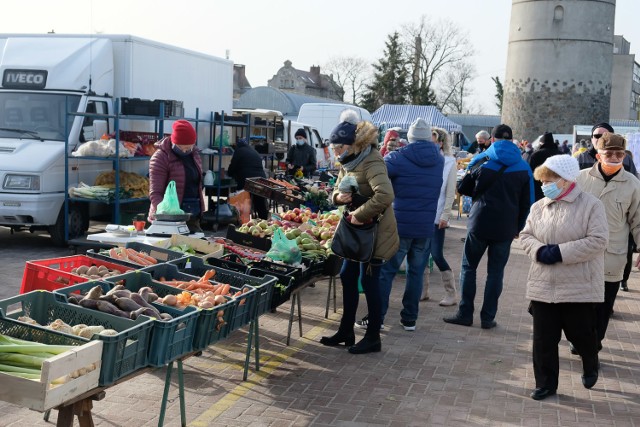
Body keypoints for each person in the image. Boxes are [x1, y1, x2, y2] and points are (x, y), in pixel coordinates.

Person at [520, 154, 608, 400]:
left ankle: (590, 360)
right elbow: (526, 235)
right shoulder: (539, 206)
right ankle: (546, 384)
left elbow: (598, 241)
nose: (544, 184)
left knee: (581, 334)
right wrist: (539, 250)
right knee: (543, 339)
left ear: (566, 179)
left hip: (578, 284)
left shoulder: (591, 205)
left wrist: (559, 252)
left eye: (548, 179)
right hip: (543, 282)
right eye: (542, 180)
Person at [319, 110, 399, 354]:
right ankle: (346, 331)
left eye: (338, 148)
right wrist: (338, 197)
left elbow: (386, 194)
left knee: (369, 281)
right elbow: (336, 190)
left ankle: (373, 337)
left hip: (375, 234)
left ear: (352, 145)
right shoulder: (348, 161)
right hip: (356, 232)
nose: (335, 154)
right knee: (346, 276)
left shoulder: (371, 159)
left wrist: (359, 213)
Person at [443, 124, 534, 329]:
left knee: (469, 268)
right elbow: (527, 202)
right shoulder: (524, 166)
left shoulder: (482, 160)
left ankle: (465, 313)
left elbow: (463, 187)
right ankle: (488, 317)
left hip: (479, 222)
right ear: (512, 140)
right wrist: (518, 228)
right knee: (495, 273)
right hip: (506, 226)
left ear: (492, 139)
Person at [362, 118, 443, 332]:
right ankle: (409, 319)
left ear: (410, 138)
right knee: (416, 273)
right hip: (425, 226)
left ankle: (376, 318)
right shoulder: (439, 159)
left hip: (399, 225)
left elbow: (377, 175)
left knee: (387, 271)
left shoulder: (399, 158)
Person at [576, 133, 640, 354]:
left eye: (619, 154)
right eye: (609, 153)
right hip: (581, 255)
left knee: (603, 309)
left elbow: (638, 221)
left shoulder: (632, 184)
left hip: (613, 257)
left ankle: (593, 345)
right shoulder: (580, 178)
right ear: (598, 155)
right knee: (580, 307)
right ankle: (583, 340)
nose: (614, 157)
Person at [420, 127, 458, 306]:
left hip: (437, 215)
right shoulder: (423, 160)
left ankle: (451, 293)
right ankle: (423, 290)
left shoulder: (450, 162)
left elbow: (450, 192)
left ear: (441, 143)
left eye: (433, 140)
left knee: (436, 254)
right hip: (422, 213)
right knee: (421, 253)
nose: (430, 143)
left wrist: (445, 215)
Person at [148, 119, 204, 233]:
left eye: (189, 147)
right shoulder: (160, 158)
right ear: (173, 142)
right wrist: (166, 216)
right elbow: (155, 193)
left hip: (192, 216)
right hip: (168, 219)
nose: (185, 151)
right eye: (181, 147)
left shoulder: (195, 155)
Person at [227, 137, 269, 220]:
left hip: (246, 180)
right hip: (260, 179)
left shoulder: (239, 151)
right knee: (259, 200)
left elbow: (233, 166)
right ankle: (264, 220)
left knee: (244, 201)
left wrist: (229, 173)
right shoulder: (253, 151)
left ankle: (244, 221)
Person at [528, 132, 560, 201]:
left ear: (541, 143)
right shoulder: (561, 154)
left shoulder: (536, 155)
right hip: (559, 190)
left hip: (539, 191)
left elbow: (530, 174)